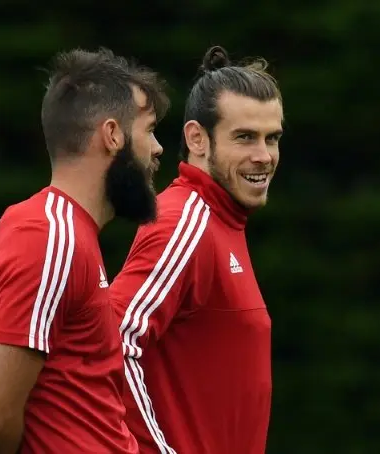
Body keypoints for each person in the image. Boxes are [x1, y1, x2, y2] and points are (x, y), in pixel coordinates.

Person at [0, 47, 170, 453]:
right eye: (149, 130)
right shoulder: (49, 239)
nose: (158, 148)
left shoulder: (67, 234)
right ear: (113, 135)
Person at [109, 45, 284, 454]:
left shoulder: (222, 220)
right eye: (244, 137)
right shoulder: (184, 221)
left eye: (271, 138)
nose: (264, 156)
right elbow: (111, 344)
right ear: (197, 139)